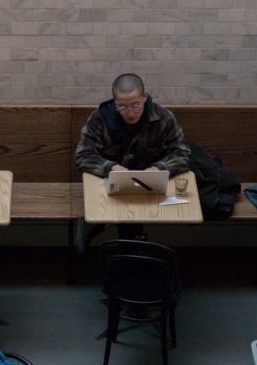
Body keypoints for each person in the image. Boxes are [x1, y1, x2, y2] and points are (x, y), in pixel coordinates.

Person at [74, 73, 191, 251]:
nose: (130, 112)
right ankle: (119, 250)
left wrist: (158, 168)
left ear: (145, 97)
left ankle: (132, 256)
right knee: (102, 212)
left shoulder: (163, 118)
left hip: (152, 183)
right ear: (114, 103)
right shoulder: (100, 118)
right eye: (122, 106)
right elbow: (83, 155)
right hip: (109, 182)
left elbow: (182, 153)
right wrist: (110, 167)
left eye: (135, 105)